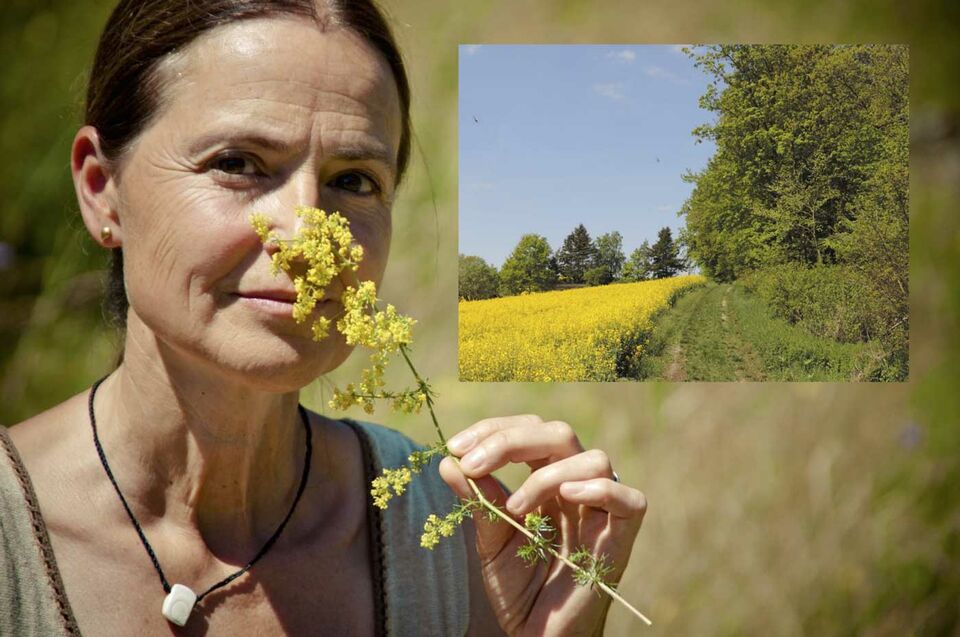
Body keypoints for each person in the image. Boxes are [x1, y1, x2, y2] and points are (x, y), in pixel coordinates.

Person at [0, 1, 647, 635]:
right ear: (100, 188)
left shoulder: (463, 539)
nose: (309, 238)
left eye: (354, 181)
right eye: (237, 164)